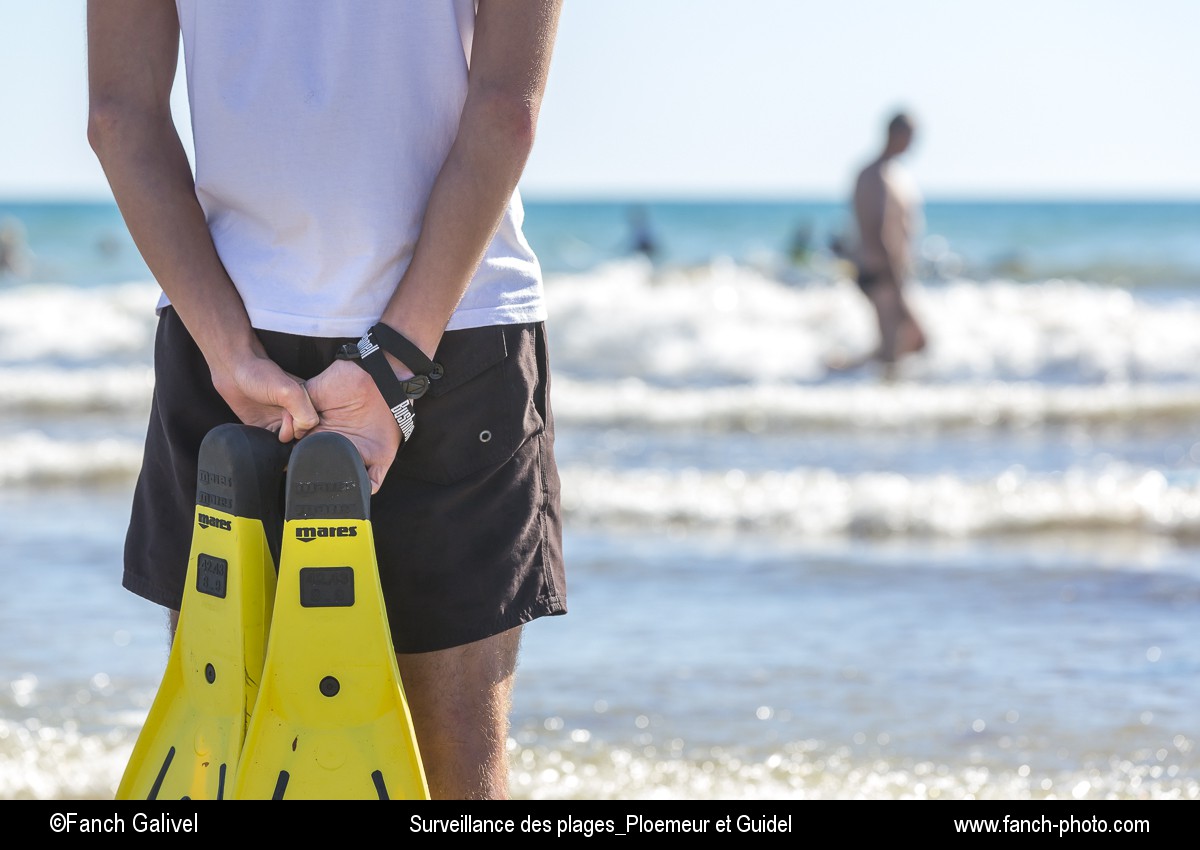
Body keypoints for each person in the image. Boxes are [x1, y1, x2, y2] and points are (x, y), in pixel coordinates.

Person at [87, 0, 566, 800]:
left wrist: (229, 352)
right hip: (454, 332)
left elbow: (118, 116)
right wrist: (396, 363)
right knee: (455, 775)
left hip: (231, 335)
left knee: (230, 746)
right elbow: (505, 115)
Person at [844, 110, 927, 375]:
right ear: (896, 134)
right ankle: (864, 387)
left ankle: (846, 373)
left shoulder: (889, 173)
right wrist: (895, 279)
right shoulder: (876, 175)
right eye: (910, 137)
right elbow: (879, 230)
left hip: (886, 270)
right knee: (899, 342)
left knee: (898, 342)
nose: (913, 144)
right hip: (880, 271)